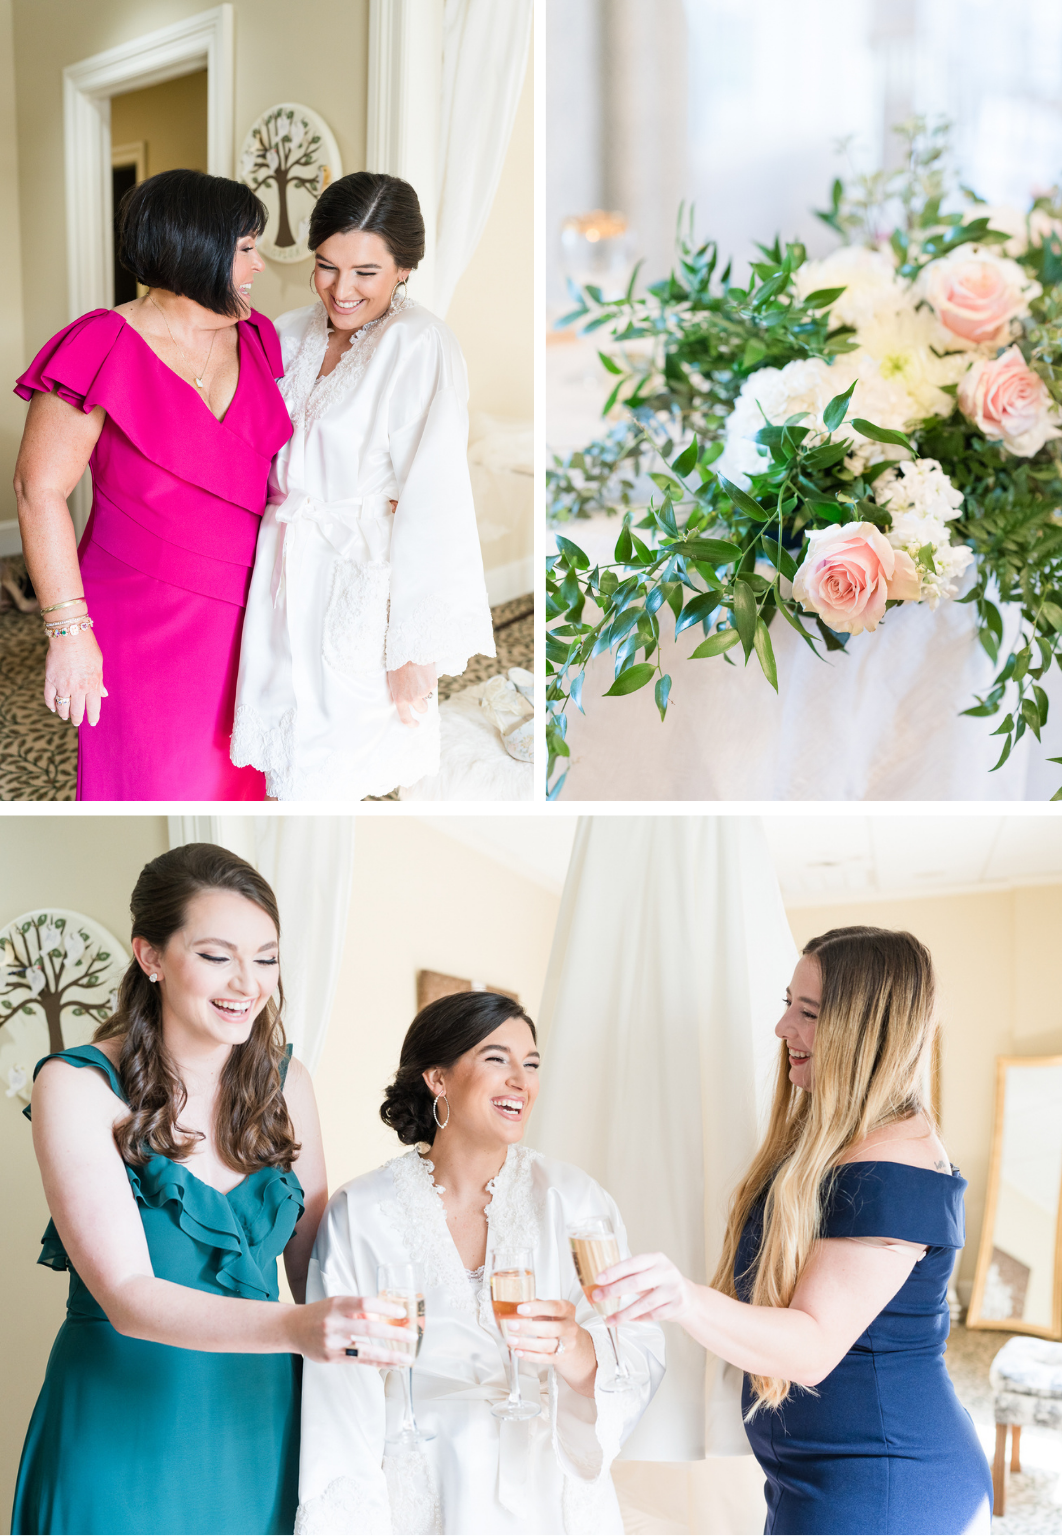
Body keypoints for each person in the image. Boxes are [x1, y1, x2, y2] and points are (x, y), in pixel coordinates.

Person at [11, 844, 404, 1536]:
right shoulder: (72, 1087)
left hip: (263, 1426)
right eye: (218, 955)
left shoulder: (289, 1084)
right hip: (122, 1432)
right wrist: (295, 1328)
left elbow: (317, 1268)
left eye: (267, 957)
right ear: (152, 957)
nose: (248, 983)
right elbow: (127, 1295)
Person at [593, 927, 992, 1536]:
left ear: (864, 1032)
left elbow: (810, 1349)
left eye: (807, 1013)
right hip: (817, 1478)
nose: (783, 1028)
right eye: (788, 1004)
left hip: (885, 1487)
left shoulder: (895, 1169)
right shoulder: (835, 1141)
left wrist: (684, 1298)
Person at [295, 991, 664, 1535]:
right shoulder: (362, 1212)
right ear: (437, 1079)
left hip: (546, 1489)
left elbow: (636, 1352)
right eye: (497, 1059)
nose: (521, 1079)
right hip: (413, 1483)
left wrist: (573, 1346)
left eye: (532, 1064)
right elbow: (338, 1392)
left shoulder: (573, 1200)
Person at [13, 170, 294, 800]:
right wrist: (68, 631)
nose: (261, 264)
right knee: (155, 777)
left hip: (248, 613)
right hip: (141, 614)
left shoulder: (261, 337)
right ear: (197, 248)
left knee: (240, 778)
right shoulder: (101, 342)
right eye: (246, 248)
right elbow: (38, 490)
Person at [231, 172, 496, 800]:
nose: (341, 290)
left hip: (360, 580)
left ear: (404, 268)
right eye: (327, 266)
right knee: (282, 757)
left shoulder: (420, 345)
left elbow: (437, 506)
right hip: (278, 566)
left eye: (366, 273)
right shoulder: (288, 331)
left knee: (341, 759)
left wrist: (414, 653)